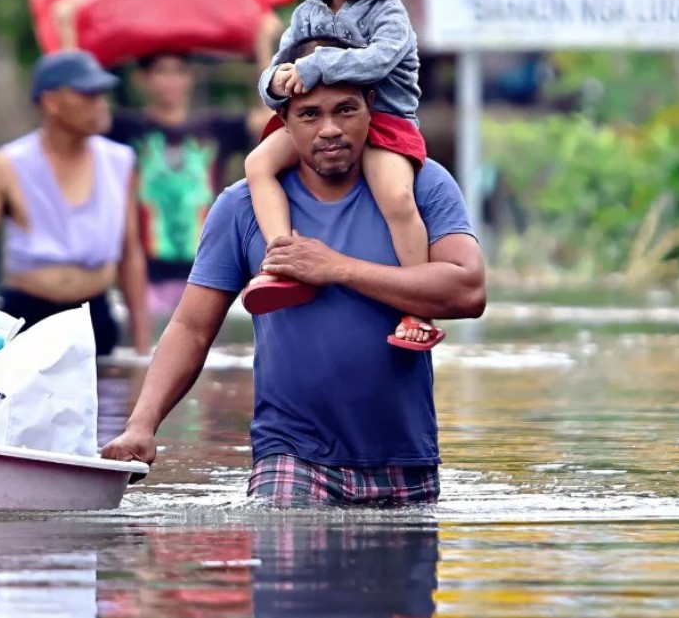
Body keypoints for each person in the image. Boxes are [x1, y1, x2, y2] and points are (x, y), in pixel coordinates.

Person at [101, 72, 487, 507]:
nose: (330, 129)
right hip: (289, 456)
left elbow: (468, 290)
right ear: (283, 121)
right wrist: (141, 424)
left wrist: (338, 268)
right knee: (288, 559)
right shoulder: (242, 206)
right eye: (309, 114)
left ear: (371, 107)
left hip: (405, 456)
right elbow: (191, 327)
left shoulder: (419, 184)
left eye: (346, 109)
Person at [243, 0, 437, 350]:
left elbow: (378, 60)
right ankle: (281, 260)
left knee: (395, 196)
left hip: (384, 120)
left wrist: (313, 69)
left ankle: (419, 308)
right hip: (320, 122)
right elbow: (277, 66)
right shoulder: (307, 15)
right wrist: (275, 85)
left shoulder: (388, 13)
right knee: (257, 165)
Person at [0, 50, 152, 356]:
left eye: (102, 94)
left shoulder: (120, 162)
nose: (100, 104)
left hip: (93, 316)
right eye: (88, 95)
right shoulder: (8, 163)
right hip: (25, 314)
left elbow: (130, 253)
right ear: (51, 102)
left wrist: (143, 347)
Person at [108, 14, 281, 318]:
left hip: (207, 275)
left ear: (190, 77)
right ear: (142, 79)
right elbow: (74, 102)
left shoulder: (214, 128)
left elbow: (270, 120)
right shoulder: (126, 130)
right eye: (161, 72)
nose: (171, 81)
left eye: (179, 71)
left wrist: (263, 46)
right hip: (144, 279)